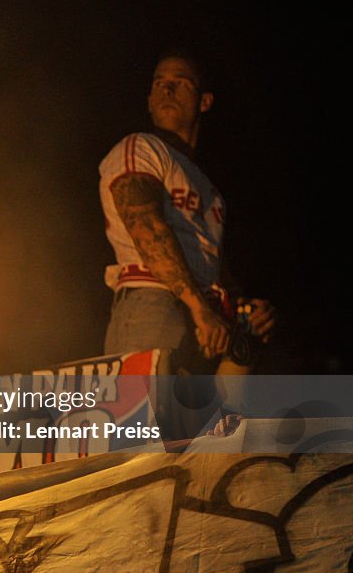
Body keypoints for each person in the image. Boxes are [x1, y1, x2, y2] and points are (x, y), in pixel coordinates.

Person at [100, 51, 276, 373]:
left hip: (206, 320)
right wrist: (200, 309)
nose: (167, 91)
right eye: (159, 84)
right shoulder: (142, 147)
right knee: (148, 421)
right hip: (154, 303)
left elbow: (209, 262)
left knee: (213, 423)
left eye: (179, 84)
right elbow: (146, 227)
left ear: (204, 101)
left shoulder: (209, 189)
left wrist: (244, 308)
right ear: (150, 100)